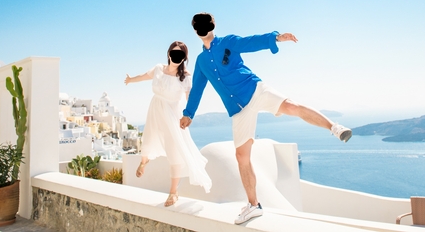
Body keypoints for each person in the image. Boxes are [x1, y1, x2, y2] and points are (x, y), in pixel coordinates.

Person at [179, 13, 352, 224]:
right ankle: (254, 205)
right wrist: (188, 113)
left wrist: (276, 37)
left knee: (291, 106)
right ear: (196, 30)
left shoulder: (228, 42)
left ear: (212, 26)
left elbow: (251, 42)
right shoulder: (201, 61)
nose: (202, 28)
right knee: (241, 157)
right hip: (238, 109)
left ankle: (334, 127)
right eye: (198, 25)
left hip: (255, 90)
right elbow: (197, 88)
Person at [125, 41, 211, 207]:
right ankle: (144, 161)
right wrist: (130, 80)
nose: (176, 56)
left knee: (174, 151)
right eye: (174, 53)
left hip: (172, 115)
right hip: (156, 109)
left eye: (180, 54)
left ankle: (173, 192)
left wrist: (188, 116)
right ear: (169, 54)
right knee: (148, 139)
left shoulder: (185, 76)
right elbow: (144, 76)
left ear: (184, 58)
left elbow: (190, 98)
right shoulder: (159, 68)